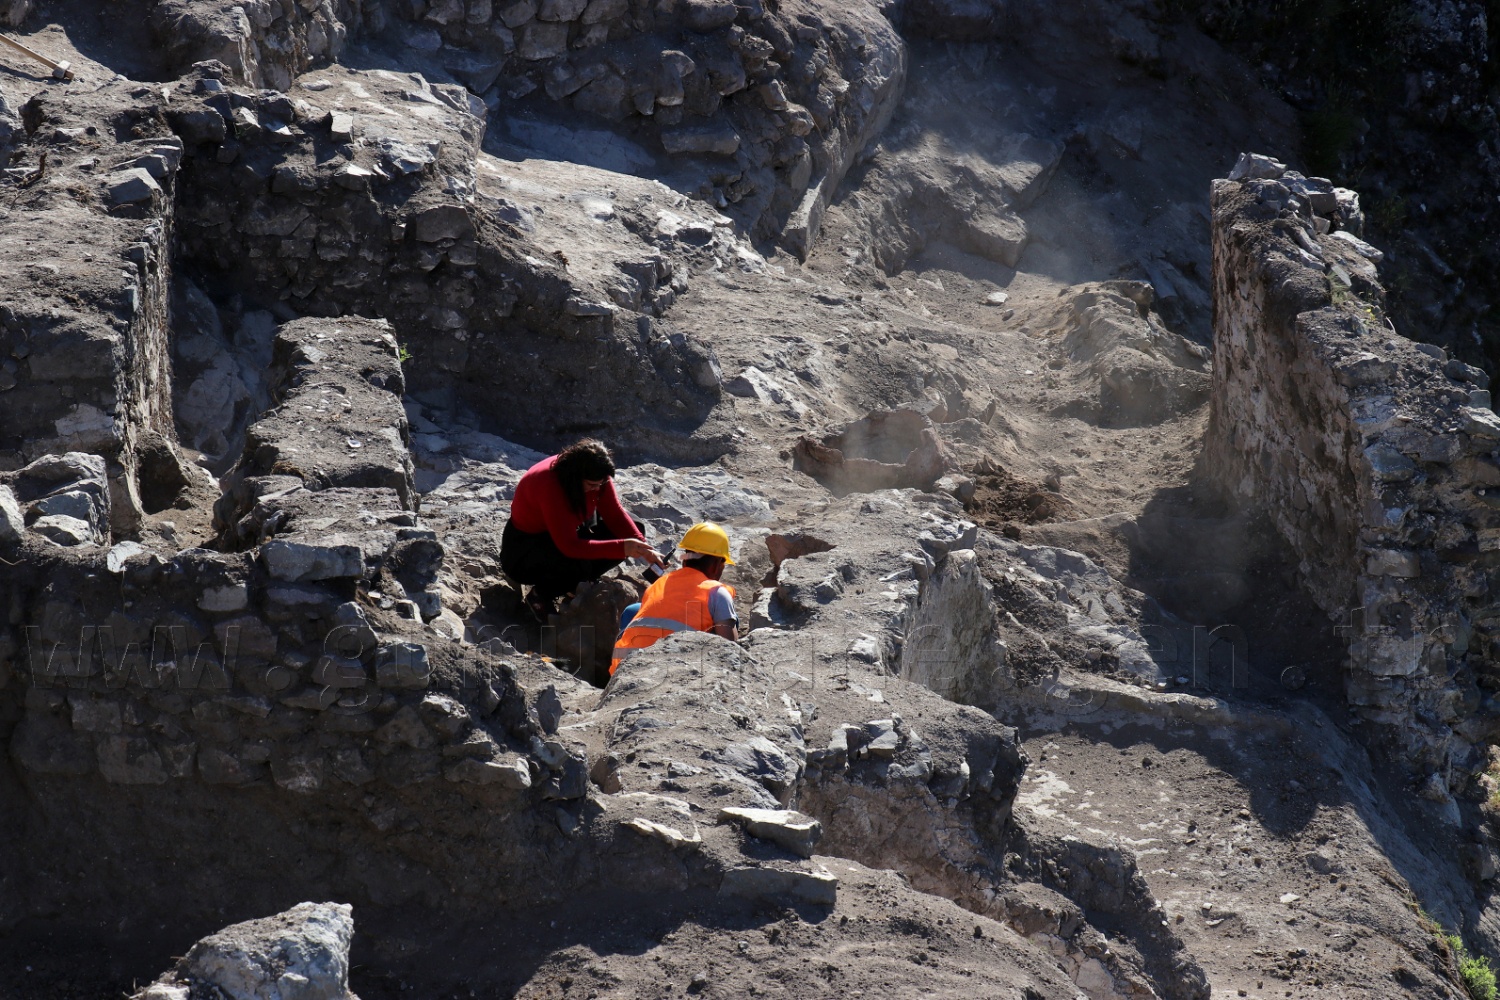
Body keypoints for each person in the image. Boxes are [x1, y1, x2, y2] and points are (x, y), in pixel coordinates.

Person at [501, 439, 664, 618]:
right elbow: (570, 546)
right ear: (575, 477)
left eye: (601, 484)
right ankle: (540, 595)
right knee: (578, 564)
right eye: (591, 485)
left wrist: (644, 547)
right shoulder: (550, 485)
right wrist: (622, 547)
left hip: (568, 529)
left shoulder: (596, 474)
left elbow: (614, 514)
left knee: (634, 528)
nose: (597, 489)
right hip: (525, 549)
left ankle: (574, 584)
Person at [610, 522, 738, 675]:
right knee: (728, 618)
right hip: (672, 673)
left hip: (622, 671)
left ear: (684, 561)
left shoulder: (657, 585)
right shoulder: (717, 592)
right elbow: (730, 650)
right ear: (717, 565)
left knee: (634, 610)